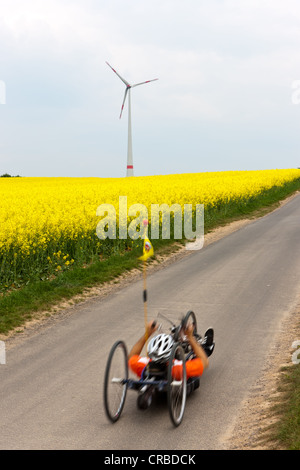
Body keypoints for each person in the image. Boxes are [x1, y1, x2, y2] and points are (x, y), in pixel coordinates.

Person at [128, 320, 214, 409]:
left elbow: (131, 357)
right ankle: (207, 347)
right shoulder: (179, 369)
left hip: (160, 379)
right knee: (196, 363)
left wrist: (147, 333)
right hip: (177, 383)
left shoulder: (143, 366)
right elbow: (204, 362)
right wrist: (190, 337)